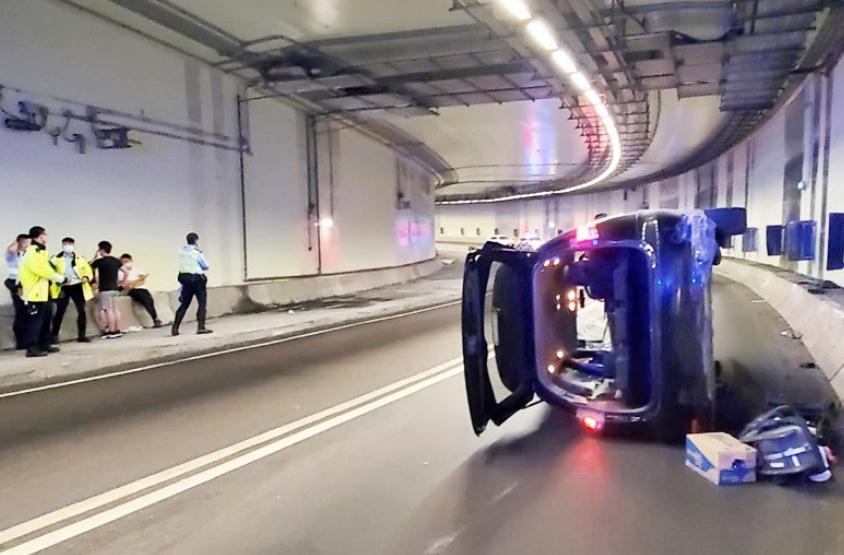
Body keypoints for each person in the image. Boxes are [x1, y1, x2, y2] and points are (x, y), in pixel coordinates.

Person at [18, 226, 65, 357]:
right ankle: (32, 348)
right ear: (40, 235)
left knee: (45, 319)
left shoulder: (41, 251)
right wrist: (60, 278)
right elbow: (42, 270)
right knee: (35, 321)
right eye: (45, 234)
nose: (47, 237)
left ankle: (44, 343)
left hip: (44, 292)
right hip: (34, 293)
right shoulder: (33, 252)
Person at [50, 238, 94, 344]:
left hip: (78, 285)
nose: (67, 246)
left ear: (73, 245)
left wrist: (86, 277)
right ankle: (54, 336)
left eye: (69, 244)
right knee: (60, 311)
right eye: (65, 244)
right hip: (63, 286)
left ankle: (82, 335)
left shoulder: (80, 259)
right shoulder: (55, 259)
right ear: (62, 245)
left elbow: (88, 271)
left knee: (81, 310)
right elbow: (50, 273)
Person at [172, 232, 212, 336]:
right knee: (202, 304)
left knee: (184, 304)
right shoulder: (197, 252)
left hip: (185, 280)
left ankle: (175, 327)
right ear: (196, 241)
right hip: (197, 280)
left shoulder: (181, 252)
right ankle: (201, 327)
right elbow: (205, 266)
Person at [91, 240, 124, 339]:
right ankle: (117, 329)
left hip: (105, 289)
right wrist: (122, 283)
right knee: (115, 310)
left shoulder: (100, 261)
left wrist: (95, 255)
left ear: (101, 250)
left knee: (107, 310)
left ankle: (111, 331)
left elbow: (89, 266)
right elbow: (125, 271)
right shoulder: (116, 261)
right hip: (115, 288)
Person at [119, 253, 162, 328]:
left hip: (142, 288)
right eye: (124, 262)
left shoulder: (137, 269)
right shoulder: (120, 272)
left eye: (127, 261)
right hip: (132, 290)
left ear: (131, 260)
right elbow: (126, 285)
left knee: (149, 300)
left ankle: (155, 319)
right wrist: (136, 282)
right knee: (143, 296)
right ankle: (155, 319)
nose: (126, 263)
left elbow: (142, 280)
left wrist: (135, 283)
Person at [4, 234, 30, 349]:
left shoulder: (28, 255)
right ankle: (21, 342)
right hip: (16, 287)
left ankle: (30, 339)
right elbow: (10, 250)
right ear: (21, 243)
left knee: (29, 314)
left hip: (29, 286)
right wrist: (17, 241)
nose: (28, 245)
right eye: (26, 242)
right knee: (20, 314)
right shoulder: (12, 256)